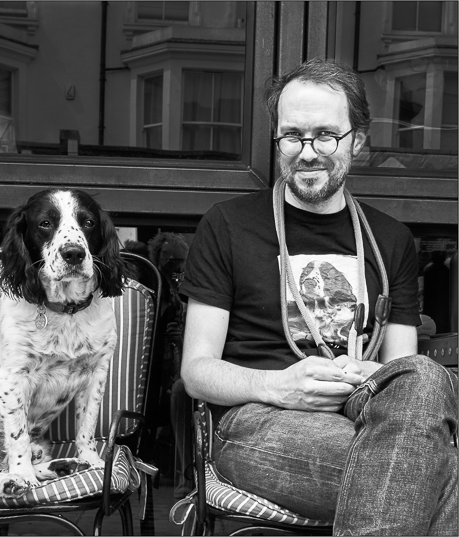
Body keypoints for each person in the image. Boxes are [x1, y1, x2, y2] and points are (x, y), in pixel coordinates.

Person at [179, 58, 457, 535]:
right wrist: (276, 387)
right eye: (292, 136)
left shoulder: (391, 239)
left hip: (367, 413)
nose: (307, 153)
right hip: (258, 420)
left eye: (325, 135)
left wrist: (369, 374)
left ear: (358, 142)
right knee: (436, 472)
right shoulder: (227, 225)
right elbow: (196, 372)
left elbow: (404, 374)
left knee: (425, 376)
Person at [147, 232, 194, 498]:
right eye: (172, 260)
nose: (177, 266)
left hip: (180, 367)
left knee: (181, 392)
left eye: (181, 261)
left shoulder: (183, 289)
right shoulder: (153, 287)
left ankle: (184, 475)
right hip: (155, 370)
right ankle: (181, 475)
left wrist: (182, 337)